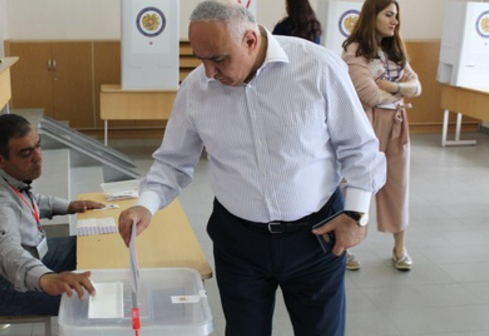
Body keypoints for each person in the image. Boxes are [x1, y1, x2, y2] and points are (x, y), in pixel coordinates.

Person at [117, 1, 386, 335]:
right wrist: (147, 204)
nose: (210, 72)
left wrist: (357, 214)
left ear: (250, 40)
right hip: (240, 242)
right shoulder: (195, 90)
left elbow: (360, 147)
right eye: (201, 59)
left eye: (218, 59)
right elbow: (173, 162)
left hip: (316, 237)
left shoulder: (316, 67)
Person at [0, 113, 102, 316]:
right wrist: (46, 278)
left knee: (93, 245)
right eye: (26, 153)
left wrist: (68, 206)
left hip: (25, 254)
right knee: (89, 299)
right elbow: (7, 250)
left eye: (38, 145)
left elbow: (23, 198)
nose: (38, 157)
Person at [342, 0, 421, 271]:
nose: (394, 21)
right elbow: (370, 95)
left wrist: (392, 86)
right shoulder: (354, 52)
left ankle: (400, 247)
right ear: (371, 16)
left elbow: (417, 86)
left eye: (396, 16)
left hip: (398, 125)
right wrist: (400, 91)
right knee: (357, 185)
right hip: (366, 125)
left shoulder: (394, 50)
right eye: (388, 15)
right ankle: (345, 245)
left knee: (398, 186)